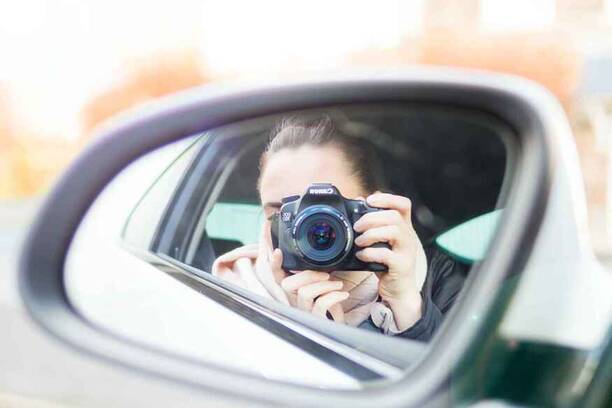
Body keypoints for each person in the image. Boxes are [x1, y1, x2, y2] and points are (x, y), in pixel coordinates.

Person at [212, 117, 467, 341]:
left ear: (375, 206)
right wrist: (299, 330)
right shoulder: (237, 292)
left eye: (324, 206)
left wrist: (406, 305)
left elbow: (454, 388)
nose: (307, 225)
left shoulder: (439, 282)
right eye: (282, 211)